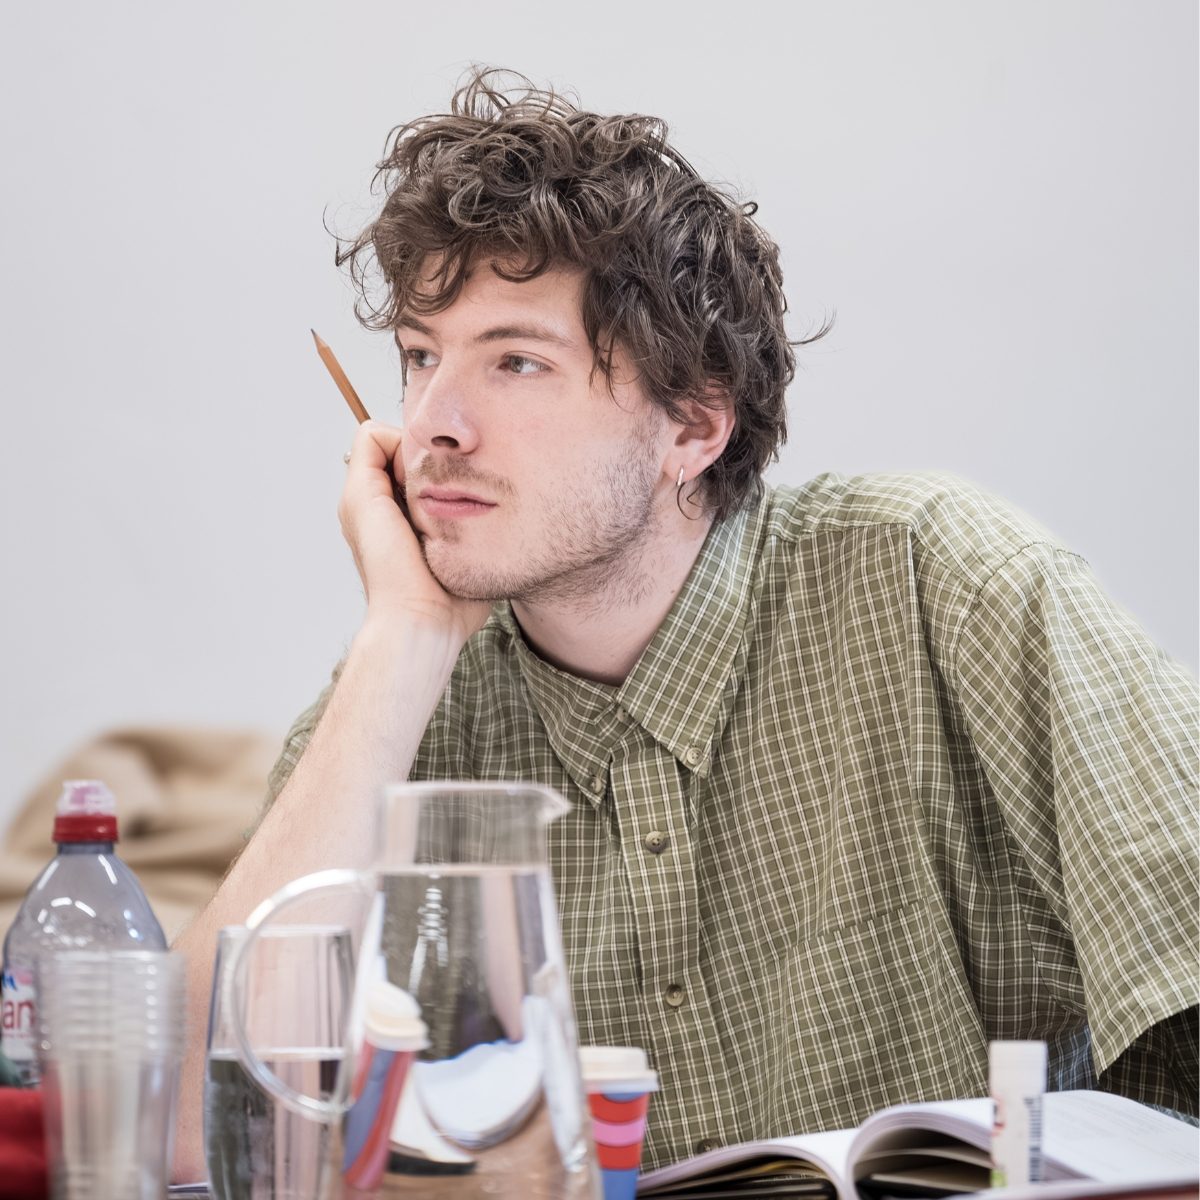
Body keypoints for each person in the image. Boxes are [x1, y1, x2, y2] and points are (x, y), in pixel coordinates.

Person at [173, 68, 1198, 1177]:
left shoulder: (939, 577)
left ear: (694, 426)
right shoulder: (398, 704)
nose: (430, 426)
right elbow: (182, 1131)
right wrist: (405, 636)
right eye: (422, 357)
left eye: (516, 361)